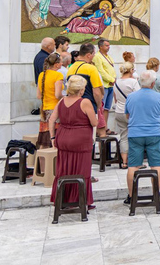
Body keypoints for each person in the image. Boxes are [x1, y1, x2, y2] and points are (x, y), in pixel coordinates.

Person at [49, 76, 97, 209]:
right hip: (81, 139)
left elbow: (52, 119)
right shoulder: (85, 102)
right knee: (82, 170)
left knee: (64, 169)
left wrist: (52, 137)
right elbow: (94, 122)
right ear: (81, 90)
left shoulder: (62, 101)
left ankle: (63, 199)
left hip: (63, 137)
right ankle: (82, 201)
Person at [124, 70, 160, 205]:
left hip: (135, 133)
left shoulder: (131, 97)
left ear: (139, 82)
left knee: (133, 166)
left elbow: (127, 115)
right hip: (153, 132)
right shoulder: (159, 97)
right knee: (156, 165)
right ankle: (156, 193)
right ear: (153, 83)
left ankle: (131, 196)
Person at [67, 43, 106, 138]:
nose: (94, 57)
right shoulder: (91, 68)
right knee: (89, 138)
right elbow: (96, 92)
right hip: (88, 106)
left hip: (73, 105)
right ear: (88, 55)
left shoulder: (70, 68)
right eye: (94, 54)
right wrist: (97, 106)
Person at [113, 61, 140, 169]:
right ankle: (135, 162)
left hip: (119, 111)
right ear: (131, 70)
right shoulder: (133, 82)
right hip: (131, 112)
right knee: (135, 137)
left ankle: (124, 162)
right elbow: (138, 97)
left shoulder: (116, 82)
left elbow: (115, 97)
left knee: (124, 136)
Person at [36, 52, 64, 148]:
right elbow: (57, 94)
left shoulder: (41, 75)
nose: (62, 63)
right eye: (61, 62)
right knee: (55, 138)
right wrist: (66, 98)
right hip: (55, 109)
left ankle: (43, 162)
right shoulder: (58, 75)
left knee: (44, 139)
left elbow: (38, 95)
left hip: (44, 109)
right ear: (56, 64)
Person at [92, 38, 116, 133]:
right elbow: (100, 71)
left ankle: (105, 127)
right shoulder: (97, 56)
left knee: (107, 108)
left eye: (109, 45)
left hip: (110, 85)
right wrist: (111, 79)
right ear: (100, 46)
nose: (108, 47)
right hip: (104, 85)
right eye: (106, 45)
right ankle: (99, 129)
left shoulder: (108, 56)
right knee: (101, 108)